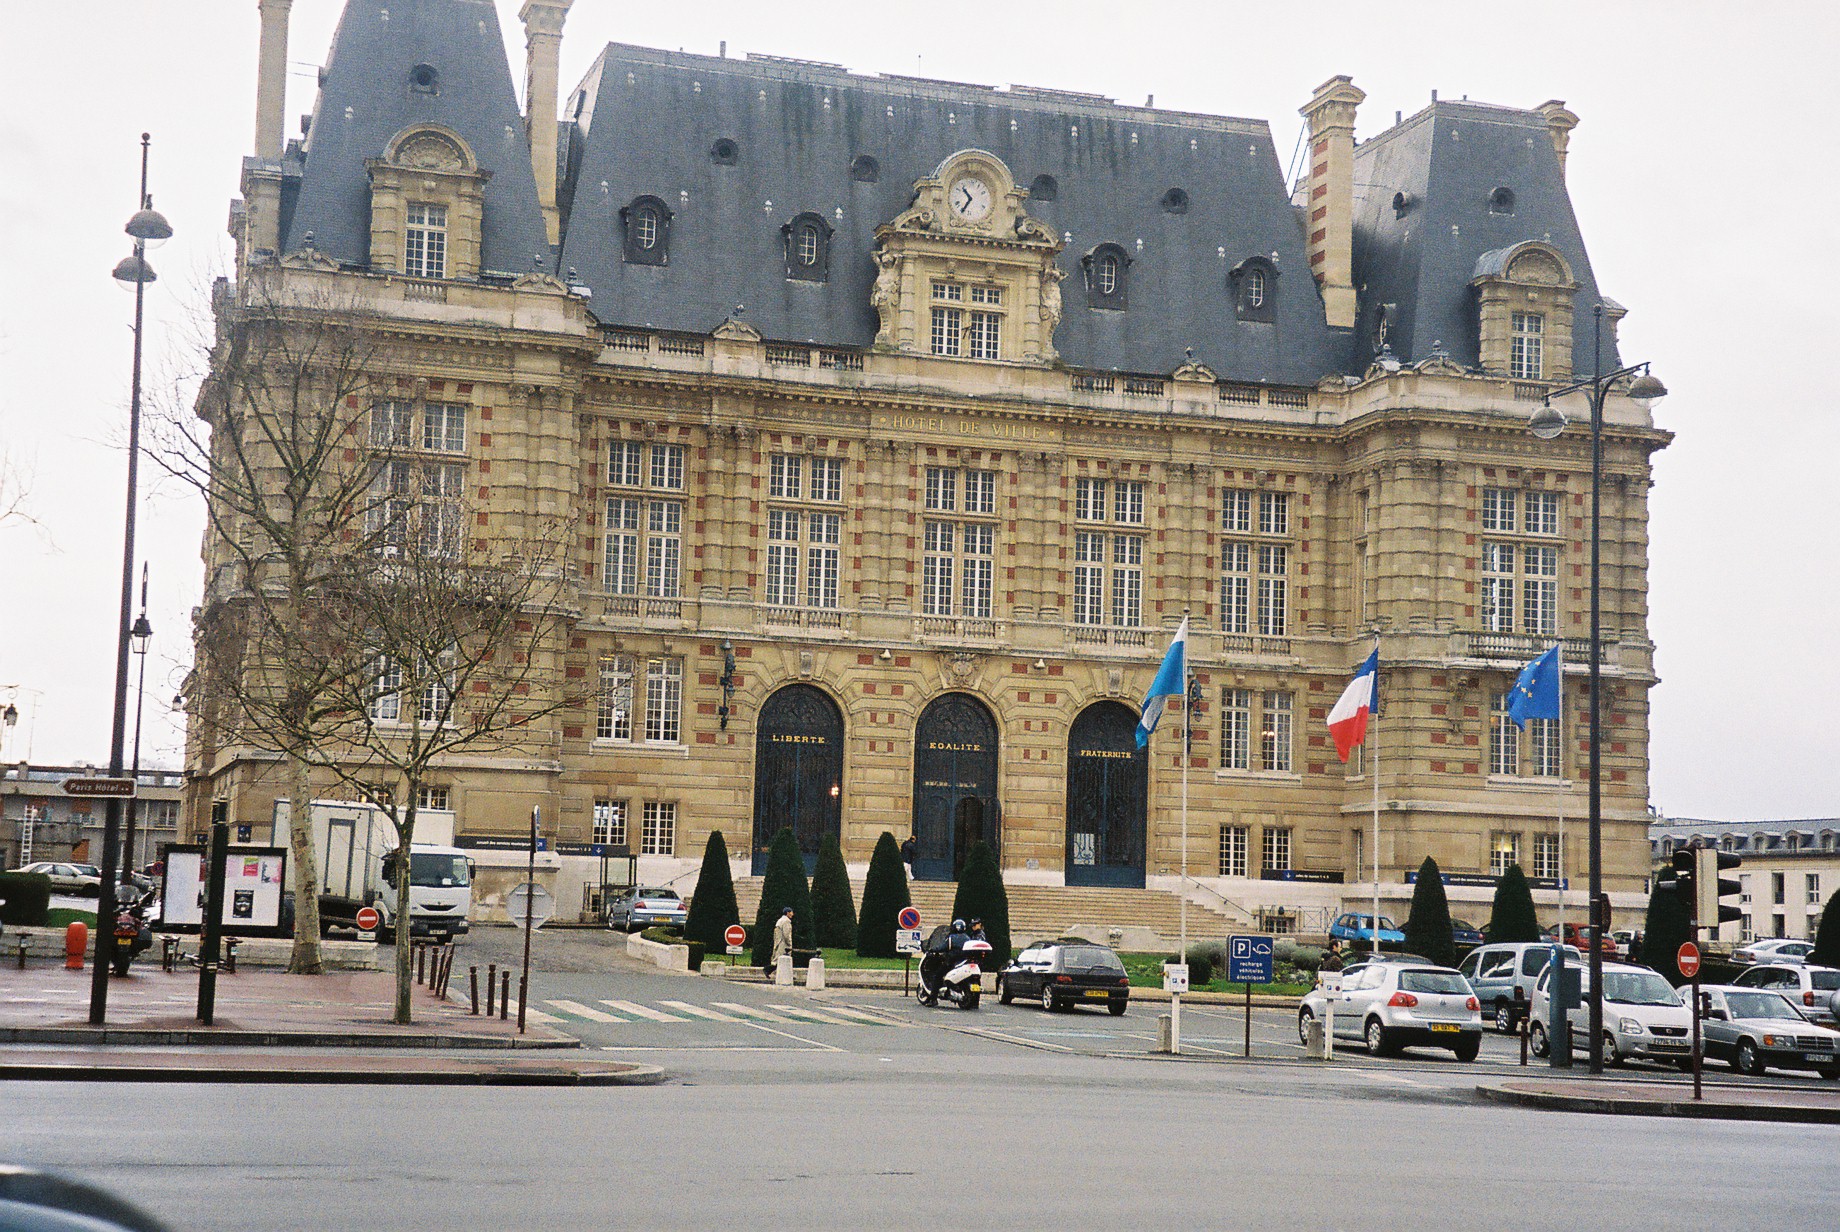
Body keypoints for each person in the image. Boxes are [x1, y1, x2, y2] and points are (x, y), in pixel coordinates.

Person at [770, 906, 794, 973]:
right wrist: (789, 943)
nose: (792, 914)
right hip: (783, 944)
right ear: (787, 913)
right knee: (782, 959)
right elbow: (786, 934)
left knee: (778, 959)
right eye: (791, 912)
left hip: (779, 942)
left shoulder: (780, 920)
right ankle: (767, 970)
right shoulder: (786, 921)